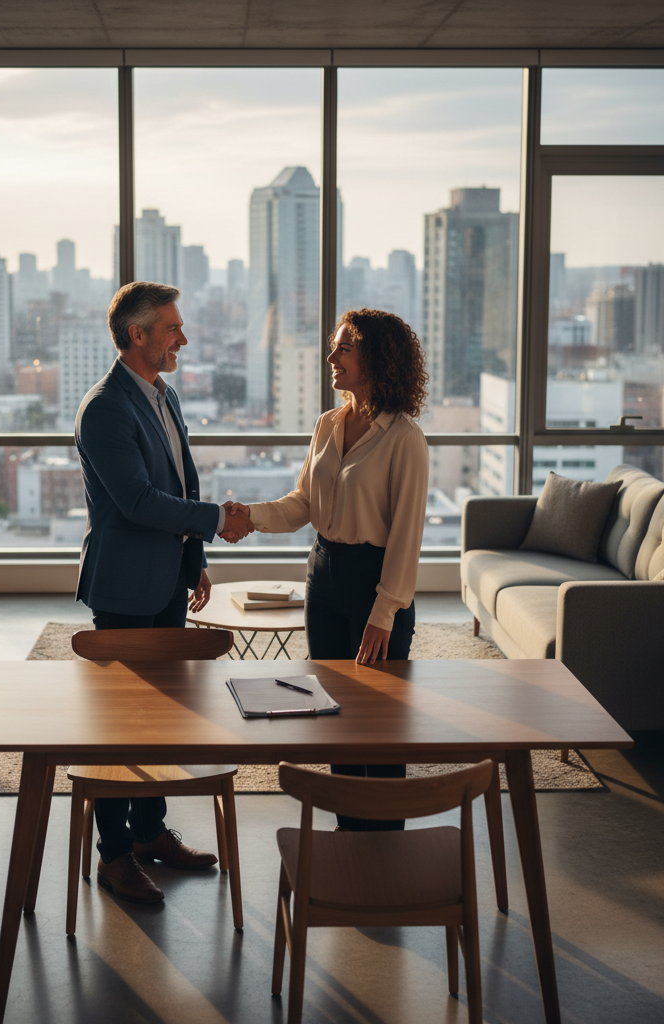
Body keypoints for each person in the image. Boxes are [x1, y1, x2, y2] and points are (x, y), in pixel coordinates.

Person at [74, 281, 253, 903]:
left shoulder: (163, 394)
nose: (184, 337)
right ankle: (114, 855)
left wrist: (195, 558)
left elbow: (182, 478)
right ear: (137, 334)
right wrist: (216, 520)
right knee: (119, 725)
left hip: (167, 578)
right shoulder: (103, 409)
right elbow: (139, 502)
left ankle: (150, 833)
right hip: (124, 584)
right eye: (173, 328)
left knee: (159, 718)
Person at [227, 308, 429, 830]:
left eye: (343, 348)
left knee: (380, 722)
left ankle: (382, 839)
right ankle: (347, 830)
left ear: (375, 356)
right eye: (333, 347)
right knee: (334, 712)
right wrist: (250, 517)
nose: (331, 358)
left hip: (374, 583)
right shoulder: (328, 423)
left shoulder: (404, 438)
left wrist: (385, 611)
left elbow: (407, 535)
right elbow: (304, 504)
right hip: (324, 573)